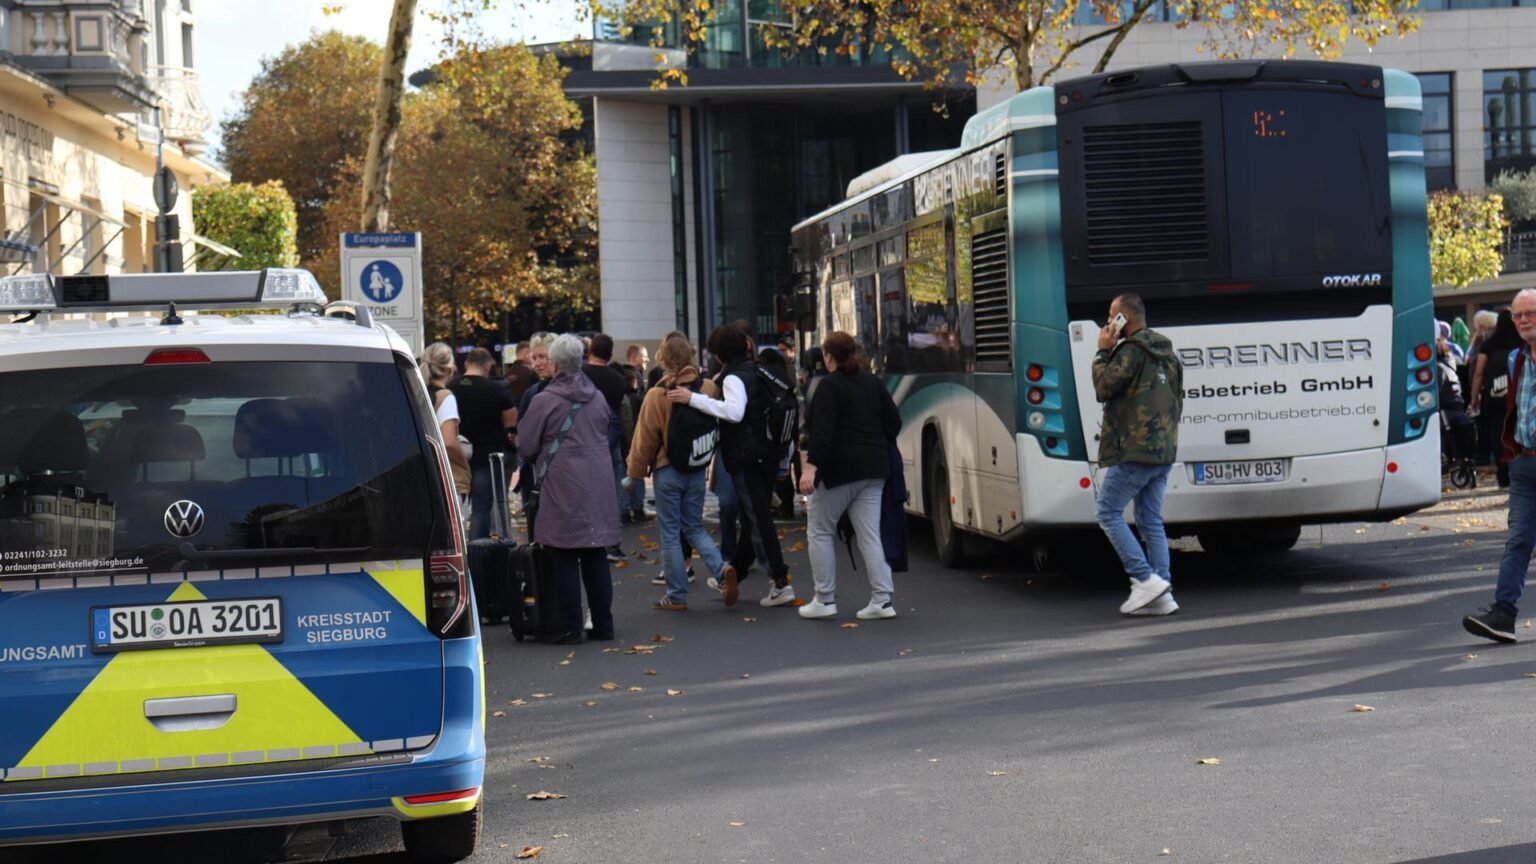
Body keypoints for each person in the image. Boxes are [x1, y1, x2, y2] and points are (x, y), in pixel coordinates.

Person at [670, 324, 794, 608]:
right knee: (754, 518)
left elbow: (734, 412)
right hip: (768, 452)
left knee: (758, 519)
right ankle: (733, 574)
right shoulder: (759, 370)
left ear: (720, 355)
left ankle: (780, 581)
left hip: (746, 455)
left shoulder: (733, 378)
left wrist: (693, 399)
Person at [517, 333, 619, 645]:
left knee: (562, 554)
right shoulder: (597, 396)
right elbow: (608, 430)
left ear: (557, 363)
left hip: (562, 484)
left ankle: (570, 626)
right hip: (598, 483)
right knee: (595, 553)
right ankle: (604, 624)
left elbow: (527, 445)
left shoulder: (544, 400)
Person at [796, 331, 902, 621]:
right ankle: (882, 599)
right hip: (875, 467)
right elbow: (894, 421)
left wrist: (811, 466)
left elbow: (822, 433)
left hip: (840, 470)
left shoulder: (829, 387)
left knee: (819, 529)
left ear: (828, 357)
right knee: (870, 534)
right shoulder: (873, 382)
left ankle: (825, 598)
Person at [1091, 293, 1184, 617]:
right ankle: (1163, 592)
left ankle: (1145, 580)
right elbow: (1177, 399)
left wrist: (1103, 350)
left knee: (1107, 512)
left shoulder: (1129, 351)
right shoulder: (1168, 353)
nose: (1107, 322)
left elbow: (1104, 387)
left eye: (1111, 315)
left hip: (1135, 449)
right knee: (1149, 519)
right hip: (1163, 449)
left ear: (1123, 320)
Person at [627, 333, 736, 611]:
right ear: (690, 356)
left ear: (663, 358)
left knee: (671, 533)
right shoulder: (709, 387)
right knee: (694, 527)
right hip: (696, 467)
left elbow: (645, 440)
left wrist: (635, 474)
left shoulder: (657, 394)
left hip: (667, 470)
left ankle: (676, 595)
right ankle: (722, 570)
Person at [1464, 289, 1536, 642]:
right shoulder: (1514, 359)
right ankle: (1503, 615)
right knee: (1518, 540)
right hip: (1523, 464)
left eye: (1530, 313)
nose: (1523, 320)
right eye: (1518, 315)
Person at [452, 347, 517, 540]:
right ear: (488, 365)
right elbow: (511, 423)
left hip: (455, 456)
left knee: (453, 509)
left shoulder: (451, 388)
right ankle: (477, 550)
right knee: (481, 507)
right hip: (485, 459)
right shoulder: (497, 390)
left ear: (466, 364)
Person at [584, 334, 631, 562]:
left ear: (590, 350)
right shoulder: (617, 379)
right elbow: (623, 411)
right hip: (610, 436)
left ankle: (590, 540)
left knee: (587, 490)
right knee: (612, 489)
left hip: (585, 437)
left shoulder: (580, 375)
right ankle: (613, 543)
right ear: (610, 354)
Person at [421, 342, 472, 520]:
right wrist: (465, 467)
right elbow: (449, 442)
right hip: (447, 478)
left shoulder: (419, 393)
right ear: (450, 369)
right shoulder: (446, 397)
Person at [1472, 309, 1521, 488]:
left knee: (1497, 435)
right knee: (1520, 433)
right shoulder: (1521, 341)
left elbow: (1478, 373)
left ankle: (1503, 475)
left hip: (1494, 398)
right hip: (1518, 397)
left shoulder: (1489, 345)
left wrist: (1474, 398)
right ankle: (1521, 473)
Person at [515, 332, 557, 511]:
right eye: (535, 357)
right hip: (534, 471)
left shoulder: (574, 388)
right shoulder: (531, 392)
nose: (538, 363)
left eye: (543, 357)